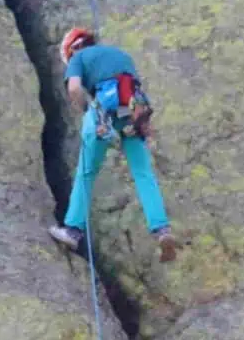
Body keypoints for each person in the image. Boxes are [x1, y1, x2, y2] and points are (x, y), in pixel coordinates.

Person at [47, 25, 179, 260]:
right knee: (143, 173)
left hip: (103, 112)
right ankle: (162, 230)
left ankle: (72, 231)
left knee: (86, 173)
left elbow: (75, 88)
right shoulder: (121, 55)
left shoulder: (79, 58)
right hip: (132, 112)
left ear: (73, 50)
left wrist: (86, 109)